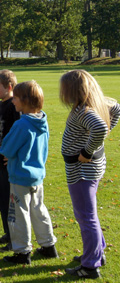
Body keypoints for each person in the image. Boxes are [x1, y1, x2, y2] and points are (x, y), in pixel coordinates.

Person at [59, 70, 120, 279]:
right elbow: (116, 108)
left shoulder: (84, 111)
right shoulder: (92, 106)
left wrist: (87, 151)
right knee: (88, 214)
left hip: (82, 170)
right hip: (87, 168)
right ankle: (96, 252)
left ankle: (90, 266)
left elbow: (100, 128)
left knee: (86, 217)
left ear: (74, 91)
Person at [0, 81, 58, 265]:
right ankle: (48, 246)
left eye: (15, 98)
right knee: (39, 210)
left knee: (19, 214)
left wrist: (12, 154)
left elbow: (7, 148)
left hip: (20, 176)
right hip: (37, 175)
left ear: (24, 100)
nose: (13, 102)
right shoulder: (42, 120)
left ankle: (22, 252)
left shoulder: (22, 124)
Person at [0, 70, 20, 252]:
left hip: (8, 162)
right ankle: (8, 233)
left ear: (9, 87)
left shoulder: (13, 107)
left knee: (10, 201)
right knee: (1, 198)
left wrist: (13, 153)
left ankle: (15, 237)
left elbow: (17, 133)